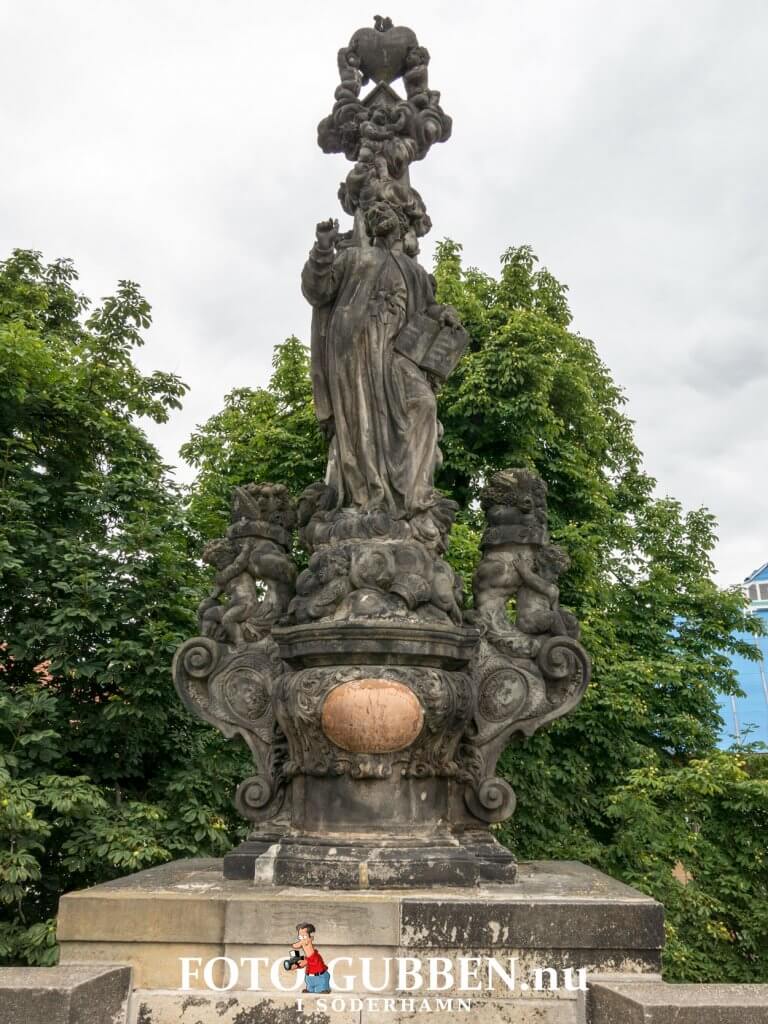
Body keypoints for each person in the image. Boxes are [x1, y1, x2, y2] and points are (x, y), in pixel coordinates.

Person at [288, 921, 331, 994]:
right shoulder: (306, 957)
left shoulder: (316, 956)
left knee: (321, 994)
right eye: (300, 937)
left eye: (304, 937)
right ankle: (310, 989)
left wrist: (305, 962)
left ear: (311, 938)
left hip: (320, 977)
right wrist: (296, 966)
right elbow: (304, 962)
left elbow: (313, 961)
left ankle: (324, 989)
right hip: (309, 979)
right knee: (309, 993)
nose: (302, 940)